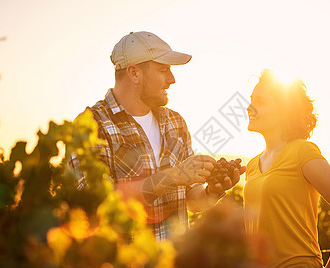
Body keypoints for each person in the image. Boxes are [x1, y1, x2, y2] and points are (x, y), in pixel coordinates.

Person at [69, 31, 245, 240]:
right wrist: (171, 177)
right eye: (163, 70)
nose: (172, 79)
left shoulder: (176, 123)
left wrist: (211, 192)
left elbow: (190, 200)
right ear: (134, 74)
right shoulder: (92, 125)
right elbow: (92, 205)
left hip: (174, 266)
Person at [243, 69, 330, 268]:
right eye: (250, 100)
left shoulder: (303, 152)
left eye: (260, 101)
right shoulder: (252, 165)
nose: (250, 107)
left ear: (284, 111)